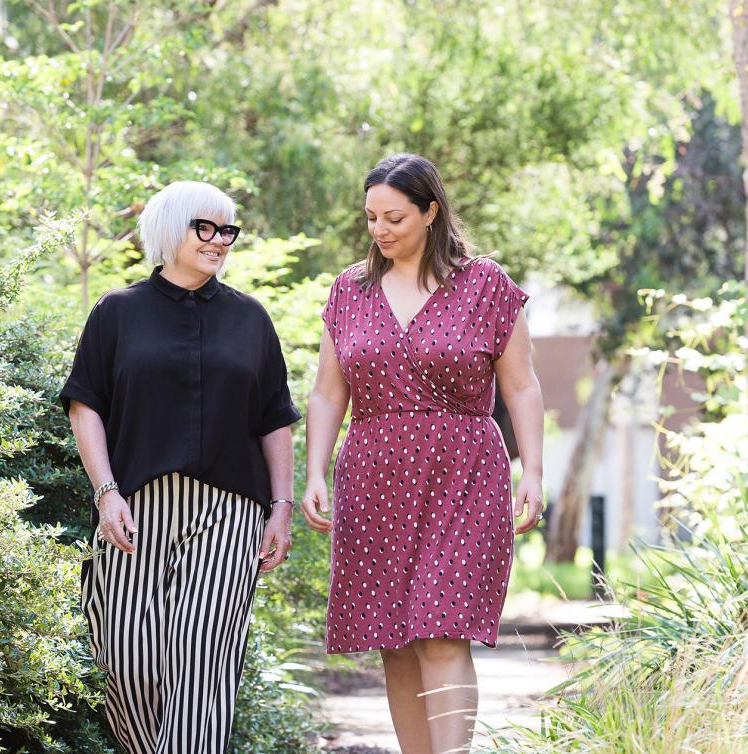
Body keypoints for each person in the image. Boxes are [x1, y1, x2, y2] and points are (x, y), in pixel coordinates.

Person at [302, 154, 545, 754]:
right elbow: (329, 392)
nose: (380, 231)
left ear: (431, 211)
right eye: (371, 218)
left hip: (463, 473)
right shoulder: (349, 292)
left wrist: (534, 471)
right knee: (395, 635)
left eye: (395, 217)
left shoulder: (485, 283)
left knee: (442, 629)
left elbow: (521, 385)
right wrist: (314, 471)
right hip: (373, 472)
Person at [60, 181, 301, 754]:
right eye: (206, 228)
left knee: (201, 662)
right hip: (134, 507)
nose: (220, 241)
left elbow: (275, 420)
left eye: (227, 231)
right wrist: (105, 492)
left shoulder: (250, 319)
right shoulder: (117, 313)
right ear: (170, 229)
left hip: (228, 511)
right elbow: (84, 407)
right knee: (122, 657)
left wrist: (281, 509)